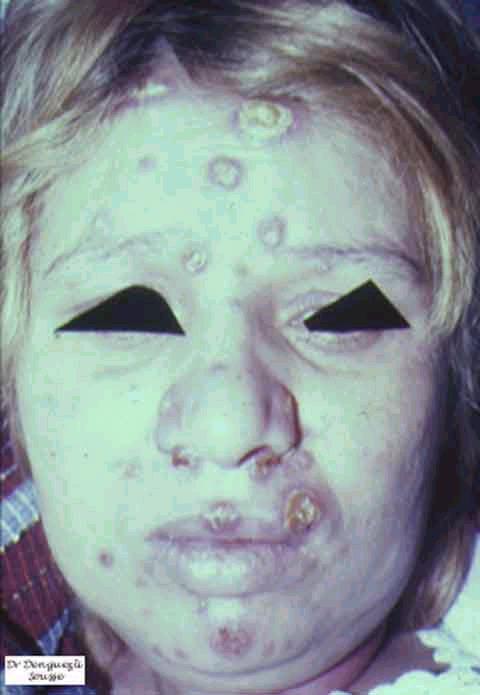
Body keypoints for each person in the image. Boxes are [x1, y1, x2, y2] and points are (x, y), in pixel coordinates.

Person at [1, 1, 480, 694]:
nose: (227, 425)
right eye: (128, 316)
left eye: (336, 320)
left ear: (452, 384)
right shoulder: (65, 661)